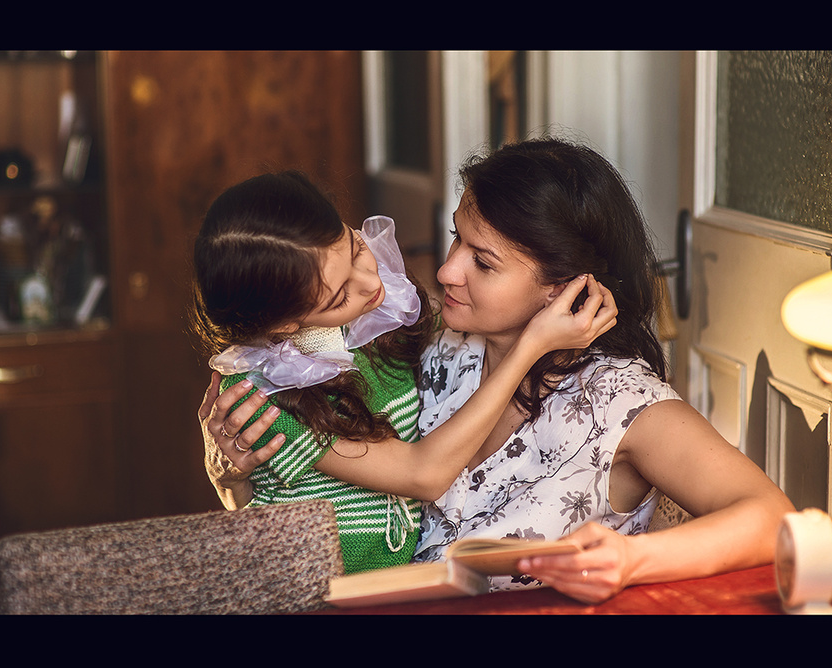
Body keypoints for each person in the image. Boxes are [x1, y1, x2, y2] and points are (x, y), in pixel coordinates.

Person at [201, 139, 795, 604]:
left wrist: (632, 560)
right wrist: (238, 470)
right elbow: (330, 481)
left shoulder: (617, 400)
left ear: (563, 289)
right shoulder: (432, 340)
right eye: (456, 239)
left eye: (483, 262)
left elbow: (773, 518)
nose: (447, 272)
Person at [192, 170, 617, 574]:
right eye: (340, 295)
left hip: (391, 588)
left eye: (356, 248)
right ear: (286, 323)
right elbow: (424, 474)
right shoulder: (265, 394)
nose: (369, 280)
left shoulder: (376, 322)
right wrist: (531, 345)